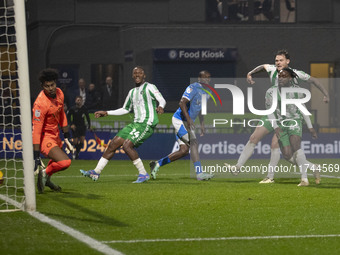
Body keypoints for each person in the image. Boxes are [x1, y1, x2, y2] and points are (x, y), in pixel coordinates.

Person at [225, 49, 328, 183]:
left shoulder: (296, 74)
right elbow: (262, 67)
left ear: (288, 61)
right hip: (273, 111)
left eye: (281, 60)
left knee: (281, 149)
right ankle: (238, 167)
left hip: (288, 115)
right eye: (276, 60)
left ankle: (271, 176)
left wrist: (326, 94)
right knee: (254, 137)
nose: (278, 63)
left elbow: (314, 81)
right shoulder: (273, 70)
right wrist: (250, 73)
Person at [80, 66, 166, 183]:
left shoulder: (150, 87)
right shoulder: (131, 92)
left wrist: (161, 106)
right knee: (113, 143)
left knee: (126, 146)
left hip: (146, 123)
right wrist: (107, 113)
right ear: (132, 76)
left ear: (144, 75)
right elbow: (125, 109)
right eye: (135, 74)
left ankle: (143, 174)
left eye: (139, 73)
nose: (137, 75)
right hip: (135, 124)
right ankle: (96, 172)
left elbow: (162, 99)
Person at [149, 70, 215, 181]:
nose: (207, 79)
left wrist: (202, 124)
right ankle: (200, 174)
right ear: (199, 79)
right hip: (179, 120)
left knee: (184, 150)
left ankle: (157, 164)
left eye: (209, 77)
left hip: (187, 122)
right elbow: (182, 103)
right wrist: (189, 120)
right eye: (204, 77)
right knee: (194, 143)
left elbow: (200, 109)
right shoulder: (193, 88)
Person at [265, 68, 320, 186]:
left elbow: (303, 109)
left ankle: (304, 179)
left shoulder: (297, 92)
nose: (281, 78)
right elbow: (270, 111)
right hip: (280, 124)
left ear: (290, 78)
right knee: (287, 155)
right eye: (279, 76)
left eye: (284, 76)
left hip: (294, 121)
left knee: (296, 146)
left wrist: (310, 127)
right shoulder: (270, 92)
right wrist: (275, 126)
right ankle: (313, 167)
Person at [32, 68, 74, 193]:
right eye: (47, 86)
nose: (50, 88)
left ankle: (47, 180)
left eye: (52, 85)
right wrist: (36, 156)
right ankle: (44, 173)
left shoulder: (60, 93)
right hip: (45, 138)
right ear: (42, 86)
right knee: (65, 162)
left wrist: (66, 137)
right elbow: (36, 130)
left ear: (56, 83)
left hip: (56, 135)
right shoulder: (40, 104)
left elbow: (62, 115)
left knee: (57, 160)